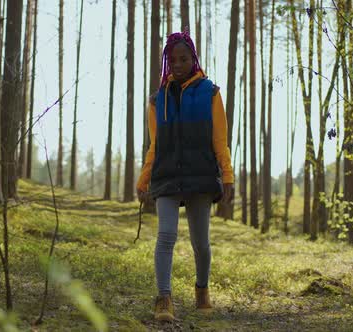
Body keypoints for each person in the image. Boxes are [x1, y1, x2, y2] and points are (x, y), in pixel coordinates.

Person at [136, 30, 234, 322]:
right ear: (167, 61)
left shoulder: (210, 93)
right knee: (166, 236)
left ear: (193, 59)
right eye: (173, 59)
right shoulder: (157, 101)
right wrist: (144, 179)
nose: (178, 64)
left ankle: (201, 290)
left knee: (200, 244)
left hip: (200, 176)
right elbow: (155, 145)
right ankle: (163, 299)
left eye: (184, 58)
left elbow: (220, 141)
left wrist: (227, 177)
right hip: (166, 175)